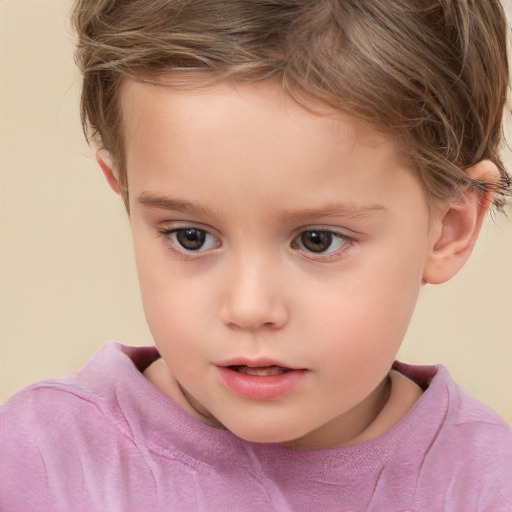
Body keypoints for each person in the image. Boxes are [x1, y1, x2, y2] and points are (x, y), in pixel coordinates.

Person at [1, 0, 511, 509]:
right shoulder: (40, 466)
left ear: (449, 226)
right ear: (125, 192)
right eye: (190, 237)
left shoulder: (488, 487)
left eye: (318, 240)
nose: (248, 308)